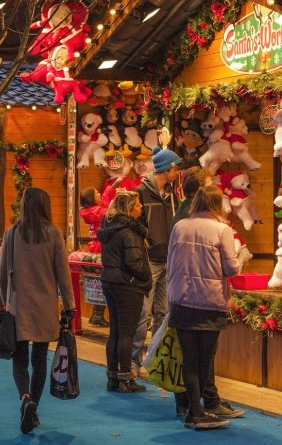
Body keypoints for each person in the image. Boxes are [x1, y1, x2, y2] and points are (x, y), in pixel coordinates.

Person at [0, 187, 74, 434]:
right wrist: (69, 305)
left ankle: (25, 398)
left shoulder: (11, 233)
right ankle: (35, 408)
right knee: (39, 360)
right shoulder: (54, 234)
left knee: (19, 359)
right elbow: (63, 274)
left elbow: (1, 273)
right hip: (45, 306)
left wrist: (6, 300)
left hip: (18, 306)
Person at [168, 168, 244, 420]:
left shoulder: (180, 226)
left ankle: (194, 410)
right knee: (205, 360)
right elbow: (231, 268)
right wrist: (239, 259)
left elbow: (170, 262)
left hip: (182, 300)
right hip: (209, 301)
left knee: (189, 360)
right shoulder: (222, 229)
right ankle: (199, 411)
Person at [131, 146, 182, 372]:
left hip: (169, 259)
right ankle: (133, 360)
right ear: (166, 169)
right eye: (175, 168)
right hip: (150, 260)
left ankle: (154, 360)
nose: (177, 172)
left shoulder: (172, 194)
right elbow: (135, 223)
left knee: (163, 312)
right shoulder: (140, 192)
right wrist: (148, 242)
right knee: (143, 313)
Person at [96, 191, 151, 393]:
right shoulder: (130, 231)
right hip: (127, 285)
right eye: (137, 205)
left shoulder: (109, 228)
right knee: (127, 333)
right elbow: (134, 262)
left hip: (110, 282)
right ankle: (126, 379)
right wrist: (146, 276)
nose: (141, 207)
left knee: (115, 332)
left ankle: (113, 377)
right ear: (129, 209)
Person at [79, 186, 112, 327]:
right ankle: (97, 315)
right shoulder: (100, 211)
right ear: (92, 198)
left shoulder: (88, 211)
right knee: (103, 281)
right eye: (97, 193)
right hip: (102, 248)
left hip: (93, 247)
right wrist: (109, 195)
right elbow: (111, 214)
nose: (99, 194)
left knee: (97, 282)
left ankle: (96, 314)